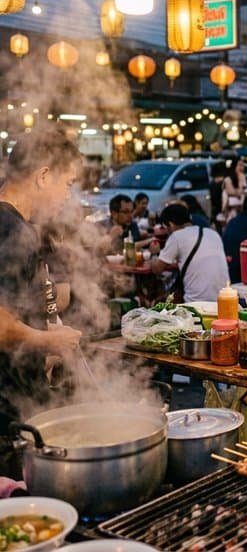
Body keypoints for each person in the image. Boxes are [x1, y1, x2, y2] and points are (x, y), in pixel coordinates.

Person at [0, 127, 83, 478]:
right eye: (67, 183)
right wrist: (48, 340)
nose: (67, 195)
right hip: (7, 405)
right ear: (44, 175)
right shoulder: (13, 230)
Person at [151, 203, 229, 302]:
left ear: (170, 224)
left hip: (196, 303)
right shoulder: (213, 234)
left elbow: (157, 269)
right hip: (225, 300)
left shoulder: (176, 236)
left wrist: (154, 253)